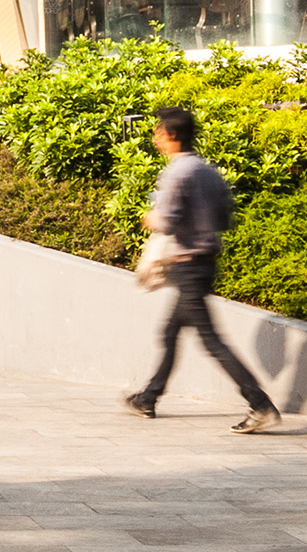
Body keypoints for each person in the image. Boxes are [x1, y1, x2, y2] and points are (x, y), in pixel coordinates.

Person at [125, 103, 277, 432]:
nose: (155, 138)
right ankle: (148, 397)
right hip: (205, 262)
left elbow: (165, 220)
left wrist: (149, 217)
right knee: (170, 332)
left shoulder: (177, 172)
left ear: (172, 135)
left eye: (158, 132)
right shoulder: (208, 170)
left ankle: (260, 404)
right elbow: (226, 217)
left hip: (188, 264)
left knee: (211, 340)